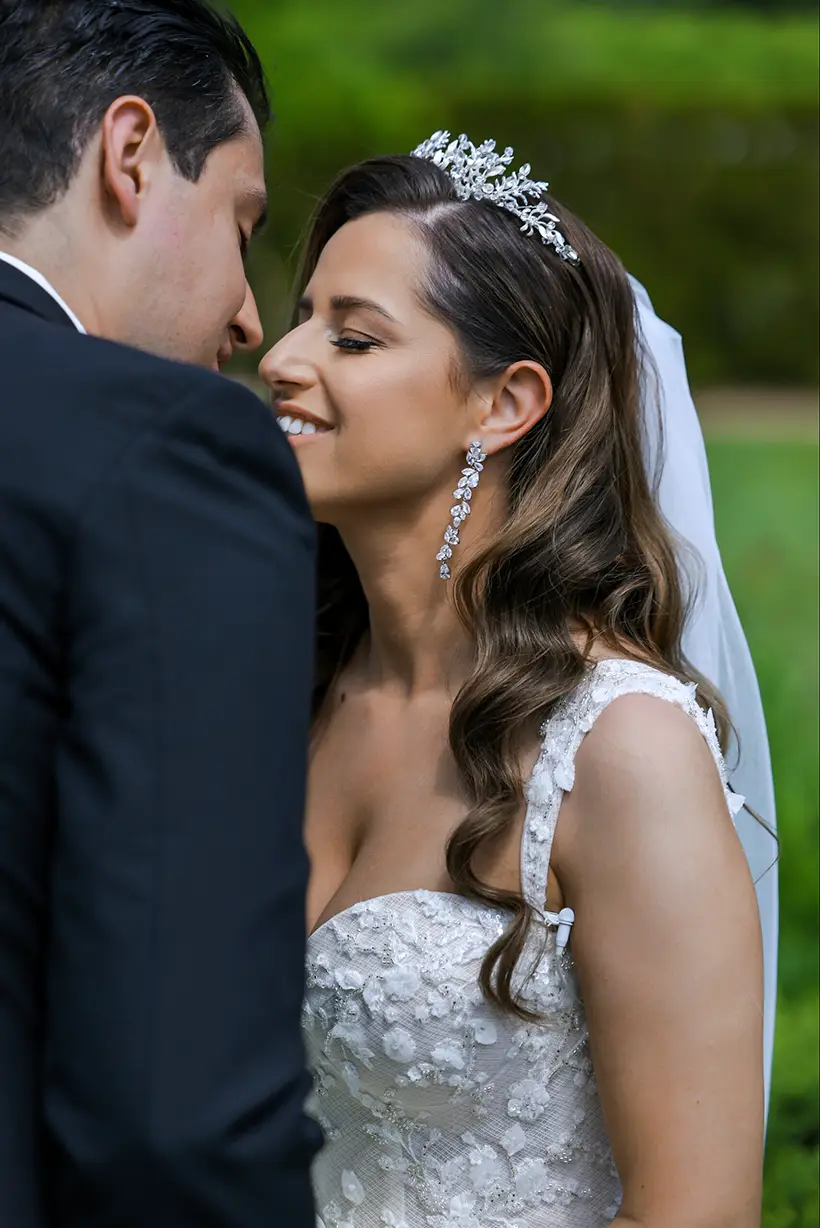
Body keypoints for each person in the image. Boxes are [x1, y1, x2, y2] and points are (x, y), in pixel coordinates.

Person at [260, 133, 770, 1227]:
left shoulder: (620, 749)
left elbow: (696, 1211)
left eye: (350, 337)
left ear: (503, 404)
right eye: (301, 314)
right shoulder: (284, 690)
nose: (281, 356)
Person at [0, 2, 319, 1225]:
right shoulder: (162, 448)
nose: (253, 321)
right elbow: (175, 1115)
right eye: (244, 224)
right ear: (130, 155)